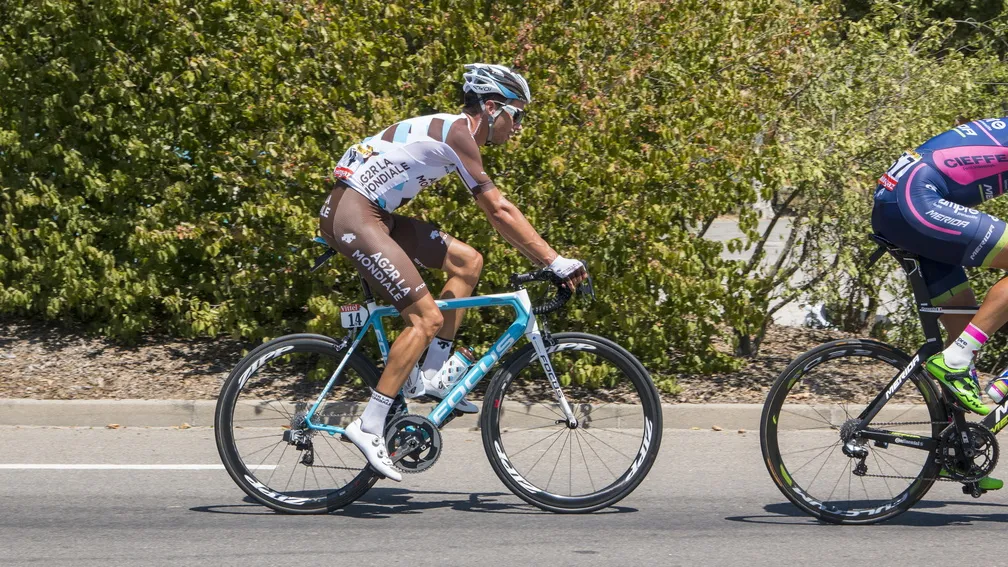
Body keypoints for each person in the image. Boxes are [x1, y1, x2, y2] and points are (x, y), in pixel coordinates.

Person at [318, 63, 588, 481]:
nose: (519, 127)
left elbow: (497, 220)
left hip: (374, 215)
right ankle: (369, 424)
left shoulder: (455, 133)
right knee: (425, 317)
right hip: (354, 215)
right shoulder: (460, 133)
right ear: (493, 107)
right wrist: (554, 261)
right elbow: (498, 211)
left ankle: (432, 373)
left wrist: (545, 259)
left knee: (468, 261)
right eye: (518, 115)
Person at [872, 117, 1008, 490]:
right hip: (916, 200)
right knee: (963, 351)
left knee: (964, 328)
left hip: (905, 201)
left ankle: (957, 450)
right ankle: (958, 359)